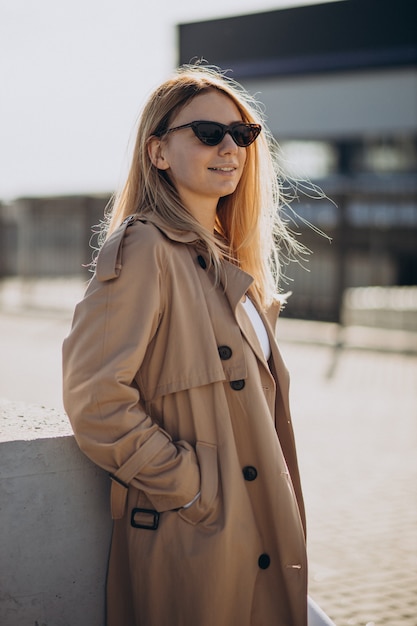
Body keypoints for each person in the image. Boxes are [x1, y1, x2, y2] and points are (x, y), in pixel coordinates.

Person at [62, 64, 309, 626]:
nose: (231, 148)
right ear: (159, 153)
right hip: (195, 542)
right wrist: (193, 490)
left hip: (259, 534)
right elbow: (95, 398)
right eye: (208, 133)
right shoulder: (145, 246)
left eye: (243, 134)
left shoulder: (225, 262)